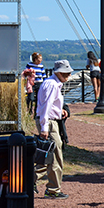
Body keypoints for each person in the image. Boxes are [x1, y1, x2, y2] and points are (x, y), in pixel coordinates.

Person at [35, 60, 72, 199]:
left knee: (49, 153)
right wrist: (44, 127)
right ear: (58, 72)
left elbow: (48, 104)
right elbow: (46, 106)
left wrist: (59, 110)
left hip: (50, 121)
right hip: (49, 123)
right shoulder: (52, 84)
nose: (67, 76)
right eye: (65, 73)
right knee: (55, 155)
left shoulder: (52, 83)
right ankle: (52, 188)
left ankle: (36, 181)